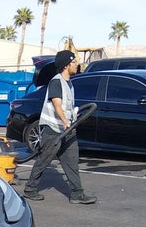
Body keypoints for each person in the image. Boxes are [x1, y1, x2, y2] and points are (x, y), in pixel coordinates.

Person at [22, 50, 97, 204]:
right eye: (74, 62)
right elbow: (57, 103)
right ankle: (30, 189)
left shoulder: (69, 83)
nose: (77, 65)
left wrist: (72, 117)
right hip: (53, 130)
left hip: (67, 131)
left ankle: (77, 194)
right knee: (44, 160)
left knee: (72, 162)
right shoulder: (56, 81)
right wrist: (64, 121)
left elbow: (66, 105)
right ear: (65, 66)